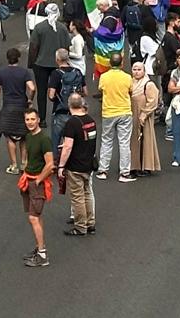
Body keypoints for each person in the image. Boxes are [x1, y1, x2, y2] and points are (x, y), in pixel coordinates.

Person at [56, 93, 98, 237]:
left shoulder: (72, 123)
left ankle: (80, 226)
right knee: (87, 193)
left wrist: (61, 166)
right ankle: (90, 222)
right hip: (88, 164)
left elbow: (68, 146)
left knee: (77, 197)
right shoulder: (91, 121)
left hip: (75, 166)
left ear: (69, 105)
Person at [19, 109, 54, 268]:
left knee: (33, 217)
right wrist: (25, 167)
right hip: (29, 180)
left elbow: (50, 164)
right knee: (37, 216)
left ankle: (42, 255)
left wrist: (39, 180)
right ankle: (40, 247)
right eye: (27, 119)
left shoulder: (44, 139)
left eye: (33, 119)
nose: (30, 122)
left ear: (38, 120)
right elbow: (27, 154)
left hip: (37, 183)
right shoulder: (28, 136)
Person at [97, 52, 135, 181]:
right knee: (124, 143)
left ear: (110, 63)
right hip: (124, 112)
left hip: (108, 112)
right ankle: (124, 173)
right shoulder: (127, 77)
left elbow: (101, 90)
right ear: (122, 63)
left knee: (106, 141)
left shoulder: (103, 77)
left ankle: (103, 170)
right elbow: (131, 91)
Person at [129, 60, 163, 177]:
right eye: (134, 69)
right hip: (132, 115)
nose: (137, 72)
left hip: (144, 116)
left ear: (144, 71)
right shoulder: (130, 82)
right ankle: (133, 165)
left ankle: (145, 166)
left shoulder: (148, 84)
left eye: (139, 69)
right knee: (133, 140)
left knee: (145, 139)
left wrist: (144, 114)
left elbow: (153, 101)